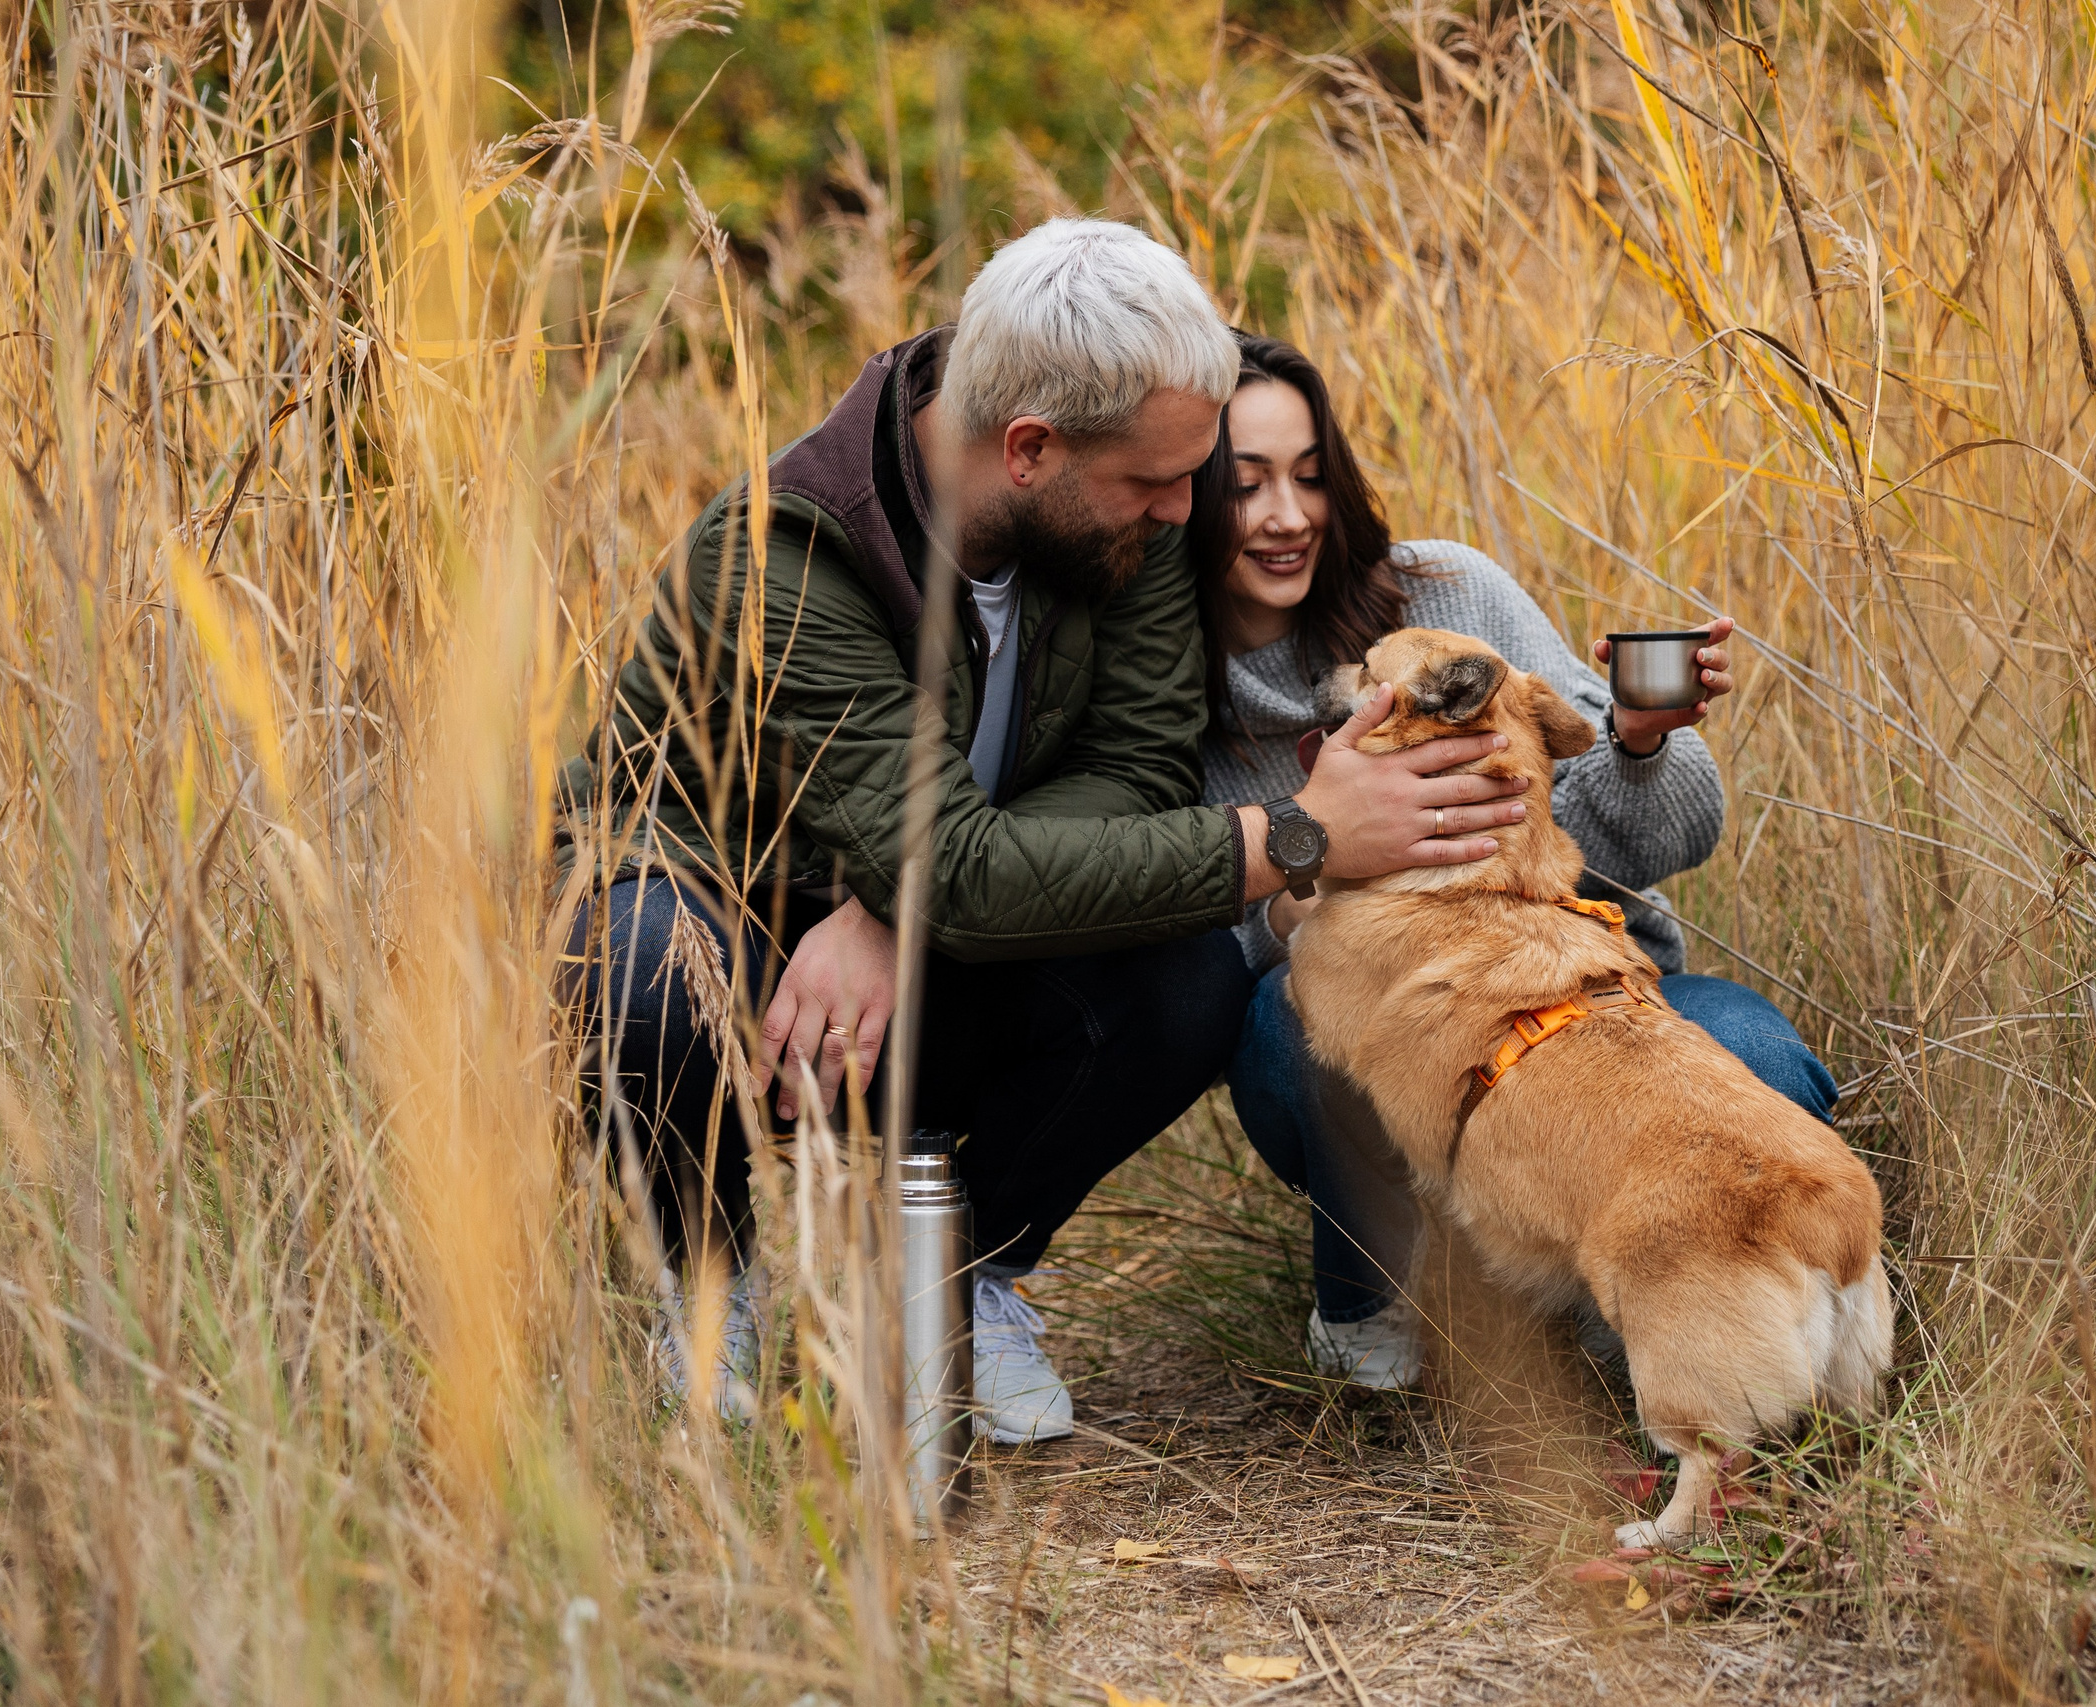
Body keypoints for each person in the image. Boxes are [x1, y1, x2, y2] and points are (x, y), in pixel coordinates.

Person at [558, 224, 1534, 1437]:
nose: (1190, 513)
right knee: (640, 958)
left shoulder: (1125, 514)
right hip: (741, 936)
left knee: (1190, 971)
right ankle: (713, 1285)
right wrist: (1297, 838)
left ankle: (962, 1270)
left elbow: (1132, 770)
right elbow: (959, 869)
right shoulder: (781, 551)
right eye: (1157, 482)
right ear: (1028, 449)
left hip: (931, 924)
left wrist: (892, 901)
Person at [1192, 332, 1841, 1388]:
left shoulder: (1452, 597)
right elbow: (1186, 940)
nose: (1286, 515)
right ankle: (1377, 1298)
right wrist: (1314, 875)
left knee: (1755, 1061)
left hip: (1580, 1007)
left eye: (1310, 477)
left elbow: (1670, 839)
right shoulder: (1152, 682)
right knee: (1287, 1015)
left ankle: (1656, 1307)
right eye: (1243, 483)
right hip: (1382, 1039)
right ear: (1179, 490)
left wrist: (1635, 740)